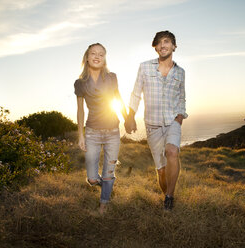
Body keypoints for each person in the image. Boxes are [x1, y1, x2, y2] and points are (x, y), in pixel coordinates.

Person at [125, 31, 187, 210]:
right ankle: (166, 191)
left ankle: (170, 197)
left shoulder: (180, 72)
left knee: (172, 152)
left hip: (173, 121)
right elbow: (136, 93)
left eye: (167, 42)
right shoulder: (144, 67)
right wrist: (130, 116)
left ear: (174, 46)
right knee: (161, 170)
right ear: (155, 47)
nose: (162, 45)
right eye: (159, 43)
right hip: (152, 124)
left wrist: (180, 116)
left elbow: (182, 97)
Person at [74, 43, 127, 214]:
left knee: (108, 172)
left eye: (101, 54)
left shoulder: (112, 77)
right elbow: (80, 110)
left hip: (112, 132)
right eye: (93, 53)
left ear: (104, 58)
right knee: (91, 178)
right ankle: (107, 184)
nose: (97, 56)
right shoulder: (80, 83)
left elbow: (118, 99)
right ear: (87, 57)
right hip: (92, 133)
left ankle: (103, 206)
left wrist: (127, 119)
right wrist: (80, 136)